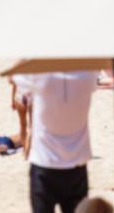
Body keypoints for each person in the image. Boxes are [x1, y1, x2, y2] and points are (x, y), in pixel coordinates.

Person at [13, 71, 99, 213]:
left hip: (44, 163)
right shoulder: (87, 73)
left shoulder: (38, 74)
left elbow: (20, 88)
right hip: (77, 165)